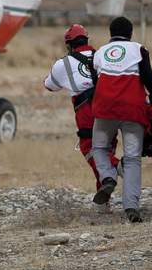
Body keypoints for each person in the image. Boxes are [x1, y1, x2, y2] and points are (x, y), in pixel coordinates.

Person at [91, 16, 152, 223]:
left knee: (100, 149)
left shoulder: (100, 52)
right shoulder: (139, 49)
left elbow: (96, 80)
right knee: (132, 159)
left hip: (105, 108)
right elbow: (147, 75)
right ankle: (131, 208)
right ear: (130, 34)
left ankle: (108, 177)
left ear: (110, 33)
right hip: (133, 109)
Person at [43, 24, 121, 196]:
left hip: (86, 110)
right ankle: (104, 195)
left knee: (89, 148)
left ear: (69, 45)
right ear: (86, 40)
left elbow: (49, 86)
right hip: (111, 107)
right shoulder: (103, 55)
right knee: (105, 148)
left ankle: (117, 166)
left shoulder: (62, 64)